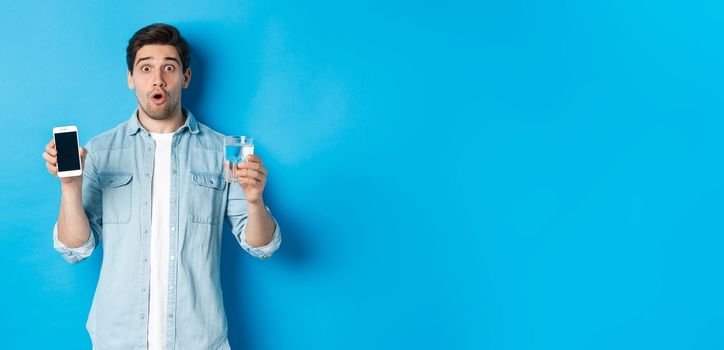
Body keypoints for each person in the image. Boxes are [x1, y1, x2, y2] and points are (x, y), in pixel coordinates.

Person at [41, 23, 281, 349]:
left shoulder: (223, 150)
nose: (158, 78)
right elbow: (76, 248)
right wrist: (70, 186)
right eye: (146, 68)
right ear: (130, 78)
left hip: (199, 341)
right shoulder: (100, 151)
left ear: (185, 77)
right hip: (117, 340)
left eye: (169, 67)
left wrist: (254, 201)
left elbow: (262, 246)